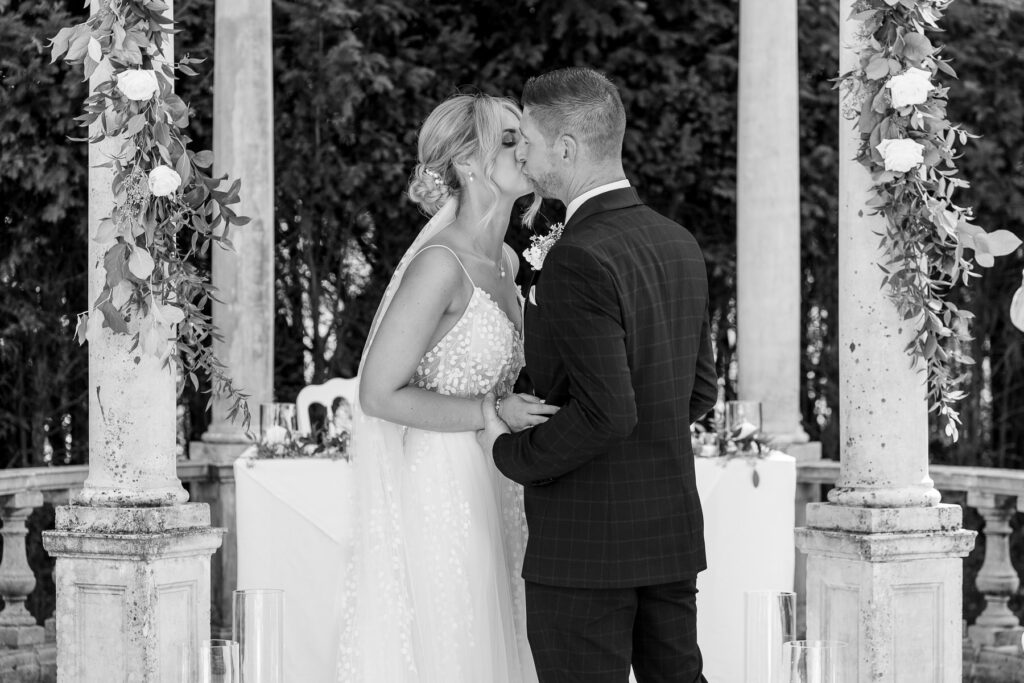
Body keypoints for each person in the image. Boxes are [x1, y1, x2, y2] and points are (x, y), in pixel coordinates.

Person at [477, 67, 718, 682]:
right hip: (666, 534)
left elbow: (608, 412)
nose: (520, 152)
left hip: (585, 550)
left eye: (526, 139)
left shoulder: (578, 256)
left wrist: (513, 453)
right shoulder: (679, 242)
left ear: (565, 149)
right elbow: (697, 392)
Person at [336, 94, 556, 682]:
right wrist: (492, 408)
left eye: (524, 135)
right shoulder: (439, 264)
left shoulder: (509, 260)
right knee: (457, 644)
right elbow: (378, 395)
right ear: (467, 164)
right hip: (442, 485)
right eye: (508, 139)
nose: (525, 147)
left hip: (501, 476)